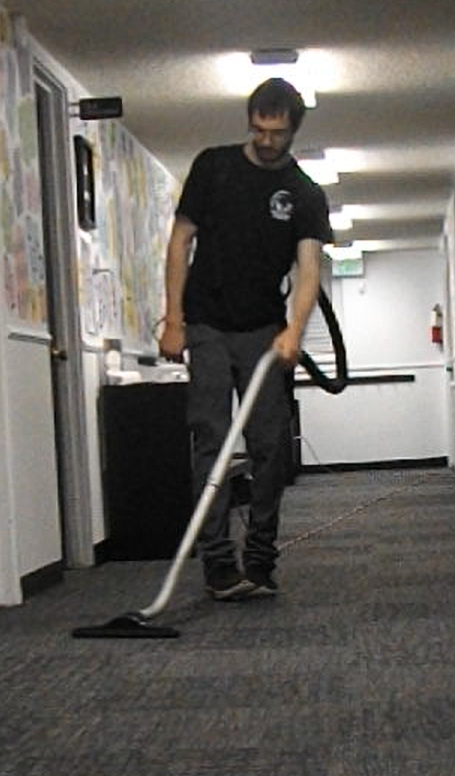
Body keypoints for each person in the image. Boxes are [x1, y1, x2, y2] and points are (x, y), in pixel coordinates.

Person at [158, 78, 332, 600]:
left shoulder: (304, 193)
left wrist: (294, 332)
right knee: (210, 441)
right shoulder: (213, 167)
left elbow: (307, 271)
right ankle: (217, 564)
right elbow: (180, 241)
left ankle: (259, 558)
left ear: (293, 130)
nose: (265, 140)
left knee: (270, 445)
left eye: (276, 132)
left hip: (263, 330)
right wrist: (173, 320)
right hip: (207, 323)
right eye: (258, 128)